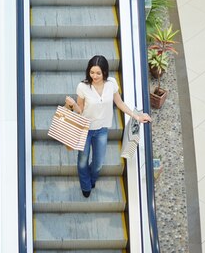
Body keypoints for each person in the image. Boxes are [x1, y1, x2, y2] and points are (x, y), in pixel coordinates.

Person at [65, 54, 151, 198]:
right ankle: (85, 184)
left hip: (102, 130)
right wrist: (73, 105)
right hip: (85, 129)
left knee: (98, 163)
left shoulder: (111, 83)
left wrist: (136, 116)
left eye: (98, 73)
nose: (95, 76)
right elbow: (79, 110)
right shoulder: (83, 86)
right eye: (92, 72)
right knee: (82, 160)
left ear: (105, 72)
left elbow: (120, 103)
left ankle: (92, 178)